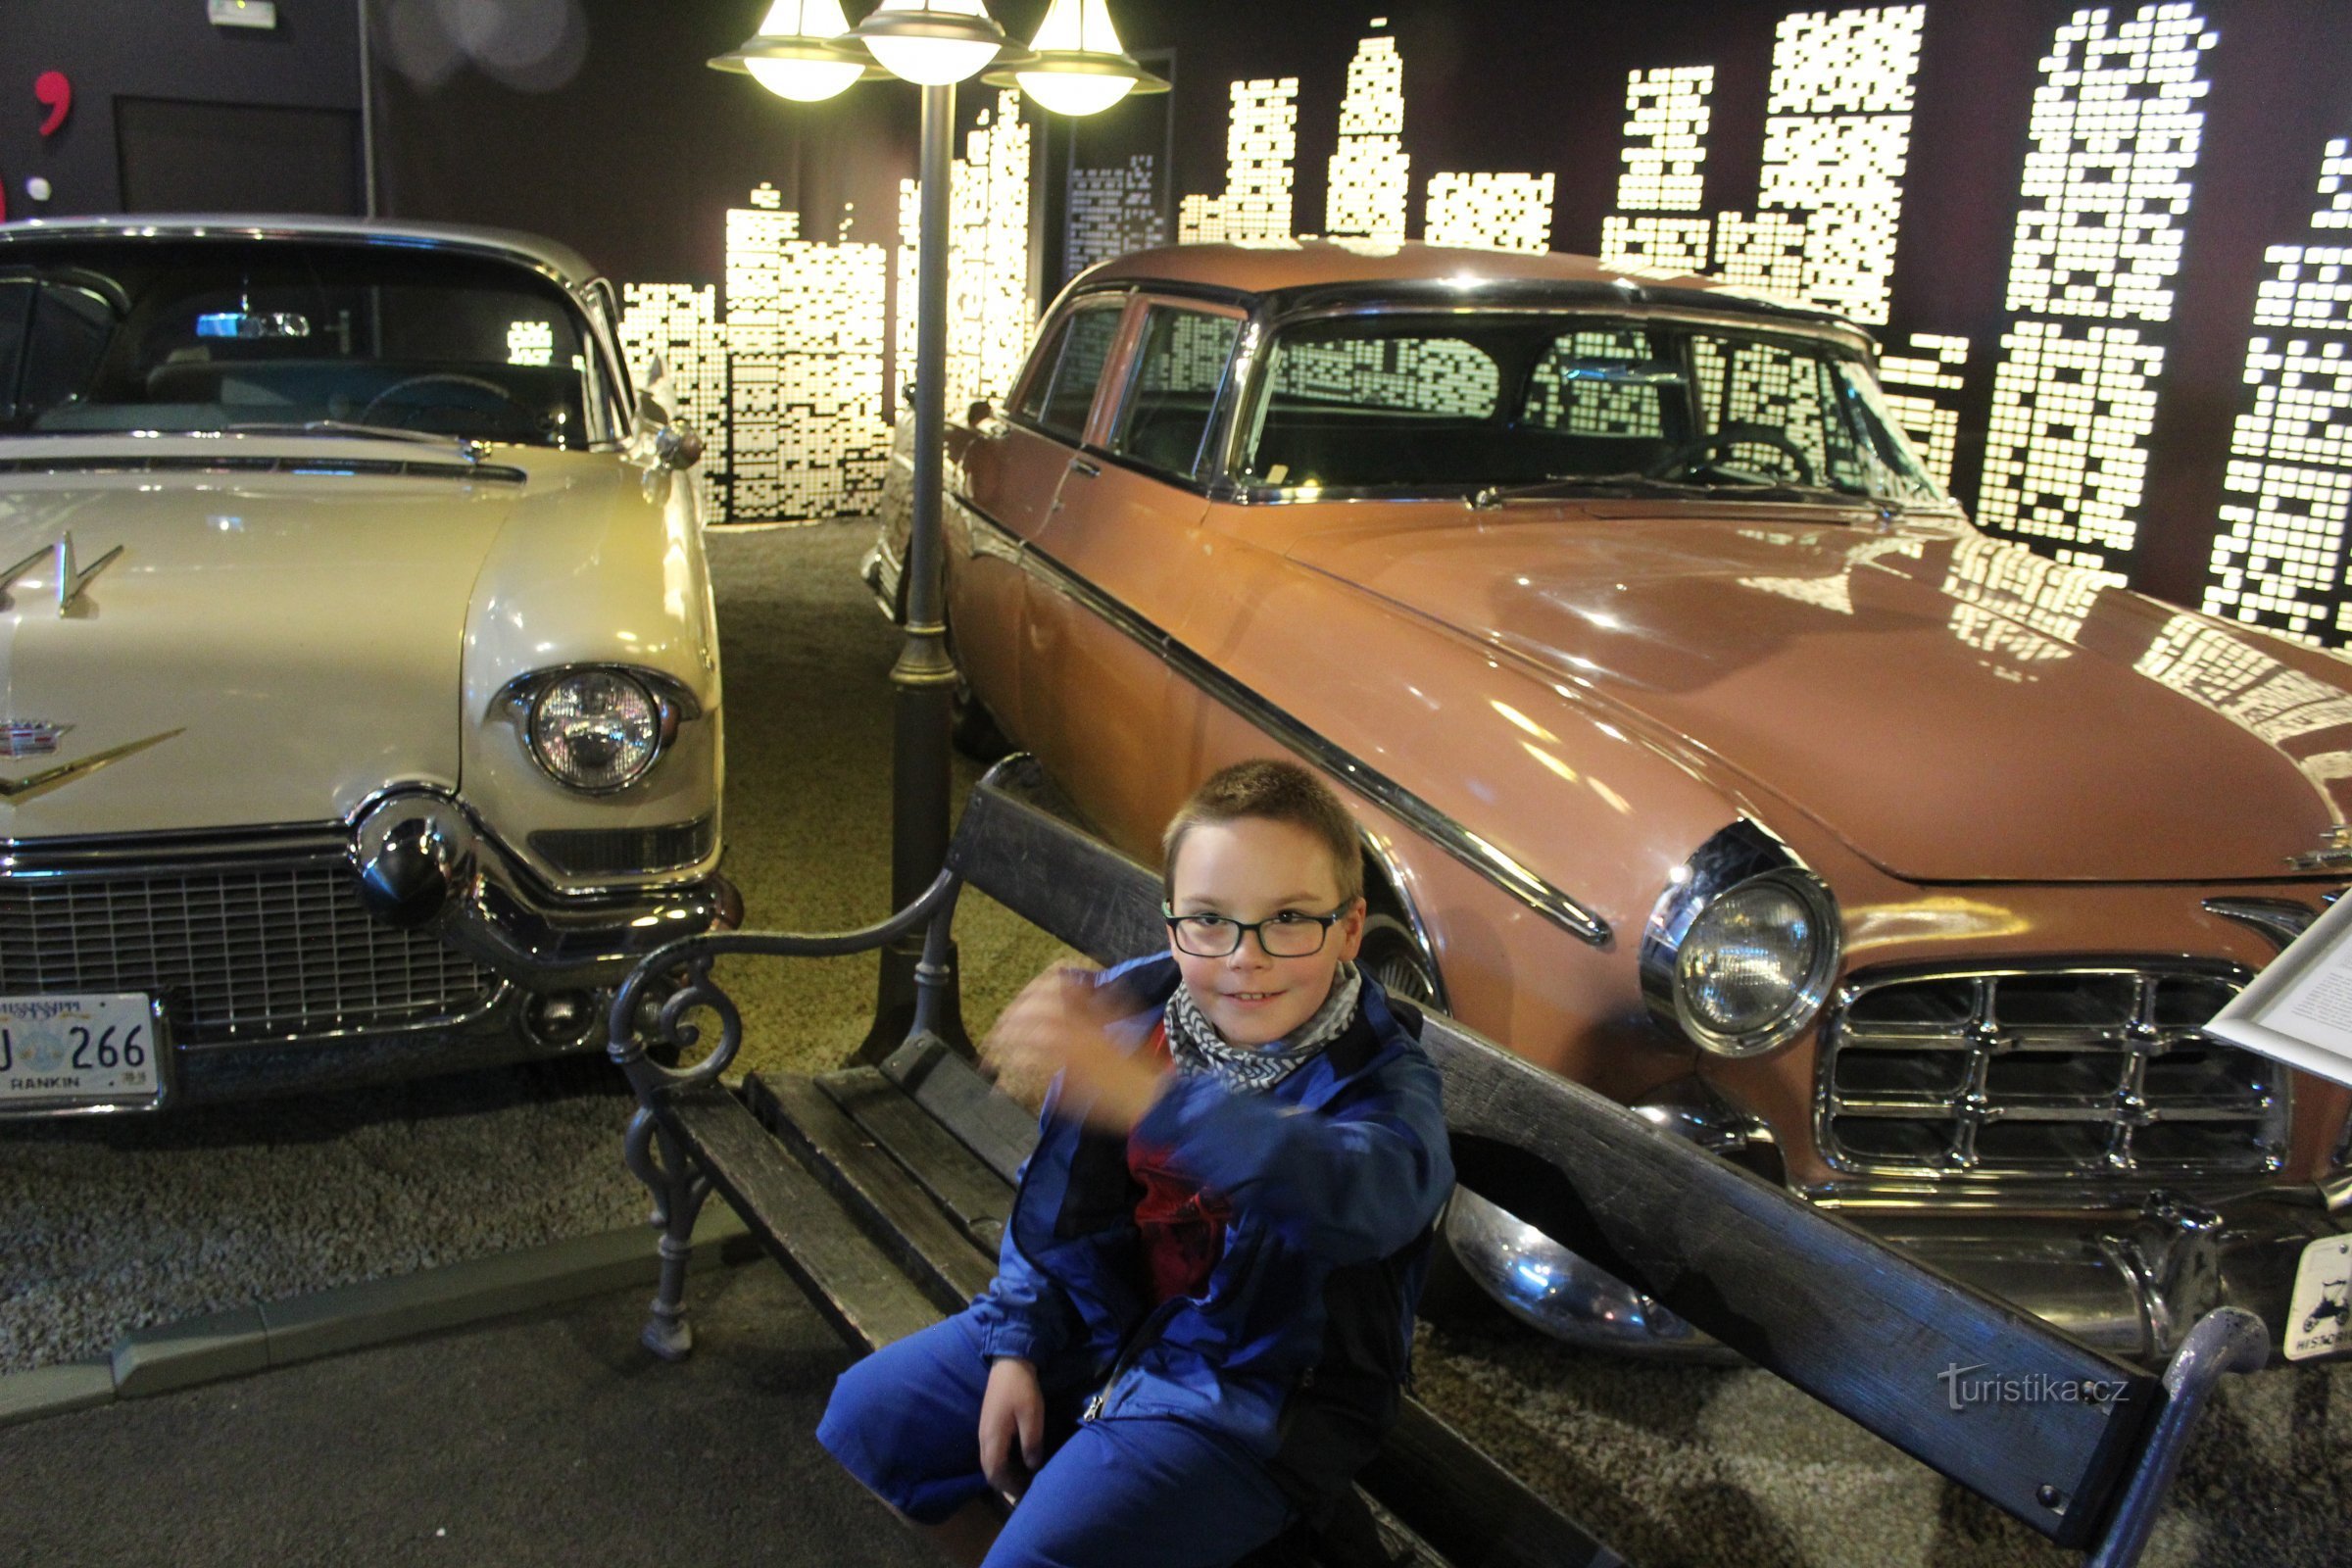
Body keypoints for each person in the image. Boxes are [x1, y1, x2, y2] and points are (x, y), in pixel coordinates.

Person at [817, 758, 1454, 1568]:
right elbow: (1058, 1202)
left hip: (1246, 1395)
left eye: (1290, 918)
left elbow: (1358, 1198)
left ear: (1352, 929)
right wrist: (1019, 1341)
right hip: (1093, 1323)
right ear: (1170, 923)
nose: (1243, 958)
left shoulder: (1384, 1083)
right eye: (1209, 919)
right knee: (870, 1417)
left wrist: (1158, 1102)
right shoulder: (1132, 1009)